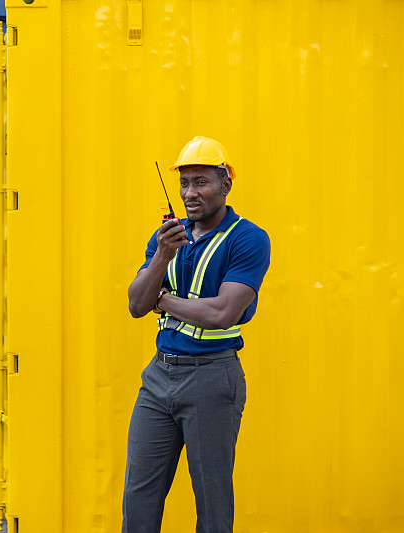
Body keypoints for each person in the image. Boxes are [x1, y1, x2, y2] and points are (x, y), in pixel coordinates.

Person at [122, 136, 271, 533]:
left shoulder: (248, 239)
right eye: (185, 183)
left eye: (201, 182)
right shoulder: (167, 238)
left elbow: (222, 313)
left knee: (211, 497)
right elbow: (137, 304)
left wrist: (164, 301)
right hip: (158, 378)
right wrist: (162, 258)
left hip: (212, 378)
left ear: (226, 183)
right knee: (139, 495)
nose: (190, 193)